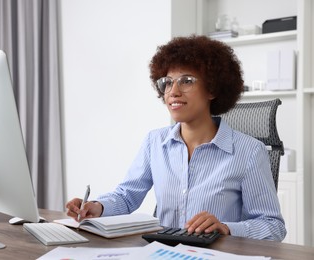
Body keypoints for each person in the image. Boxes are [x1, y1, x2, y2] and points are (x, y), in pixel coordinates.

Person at [66, 35, 287, 241]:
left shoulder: (249, 151)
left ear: (212, 89)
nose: (173, 91)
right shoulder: (155, 142)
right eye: (167, 82)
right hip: (163, 252)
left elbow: (272, 226)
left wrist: (227, 228)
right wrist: (96, 207)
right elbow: (126, 196)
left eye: (187, 81)